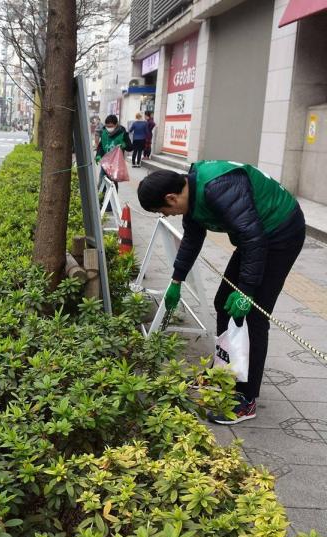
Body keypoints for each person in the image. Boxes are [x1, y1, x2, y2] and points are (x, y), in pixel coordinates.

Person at [137, 163, 306, 425]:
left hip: (281, 232)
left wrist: (247, 292)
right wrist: (176, 280)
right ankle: (224, 372)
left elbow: (253, 238)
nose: (167, 215)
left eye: (164, 211)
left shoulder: (219, 188)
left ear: (171, 198)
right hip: (256, 237)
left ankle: (246, 398)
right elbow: (192, 239)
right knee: (222, 302)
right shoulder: (190, 193)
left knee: (253, 315)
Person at [95, 114, 132, 193]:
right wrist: (98, 155)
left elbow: (130, 147)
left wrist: (124, 144)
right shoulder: (104, 132)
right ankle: (101, 200)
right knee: (102, 181)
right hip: (105, 162)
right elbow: (101, 146)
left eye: (111, 126)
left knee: (112, 183)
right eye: (107, 126)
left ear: (116, 124)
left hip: (116, 163)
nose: (109, 128)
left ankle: (112, 202)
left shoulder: (122, 133)